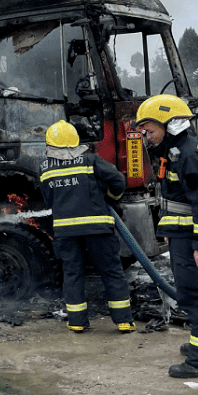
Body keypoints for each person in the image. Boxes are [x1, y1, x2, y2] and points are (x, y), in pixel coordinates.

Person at [136, 94, 198, 378]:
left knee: (197, 294)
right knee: (190, 292)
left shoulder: (189, 155)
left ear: (170, 124)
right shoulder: (177, 151)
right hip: (182, 235)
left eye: (150, 130)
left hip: (192, 239)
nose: (147, 137)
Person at [39, 120, 135, 334]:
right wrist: (110, 199)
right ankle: (123, 321)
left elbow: (48, 199)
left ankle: (77, 322)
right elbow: (118, 180)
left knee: (72, 274)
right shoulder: (90, 160)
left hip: (65, 232)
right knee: (111, 272)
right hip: (97, 229)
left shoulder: (44, 168)